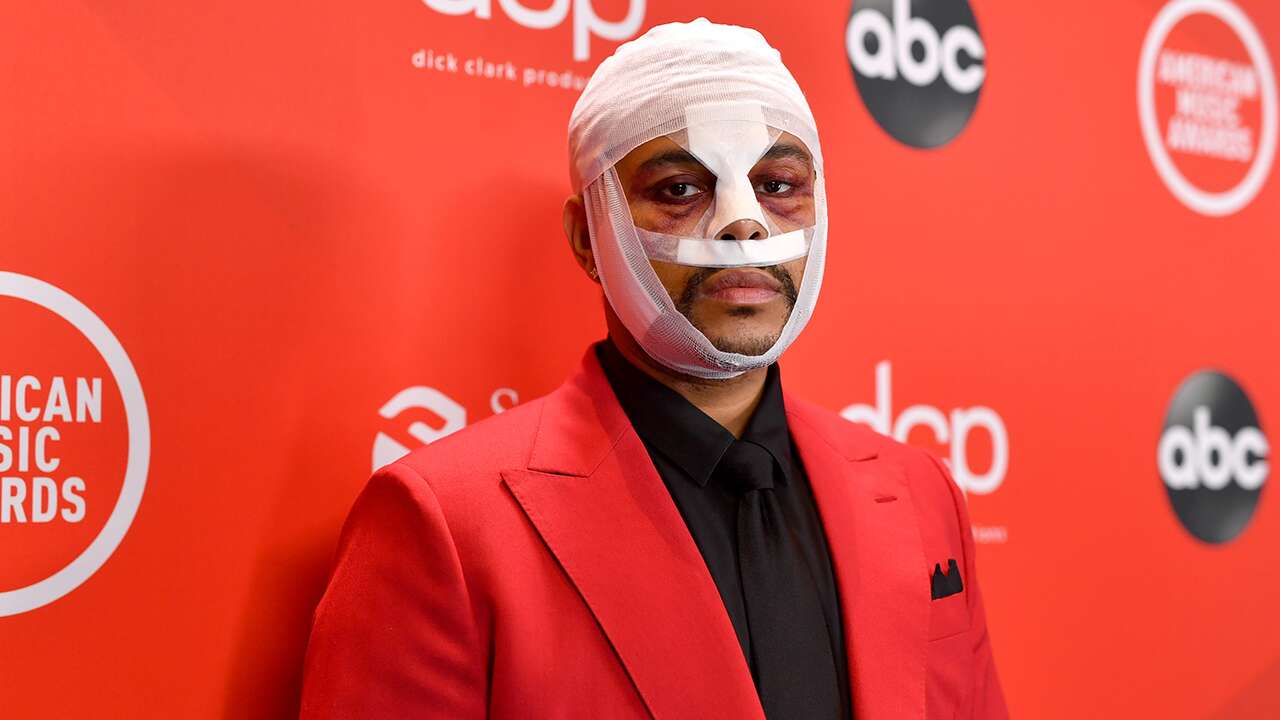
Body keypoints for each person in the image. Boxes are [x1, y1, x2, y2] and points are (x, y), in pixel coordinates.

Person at [300, 18, 1007, 720]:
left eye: (776, 183)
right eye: (679, 190)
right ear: (587, 238)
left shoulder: (921, 493)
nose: (744, 224)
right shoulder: (447, 524)